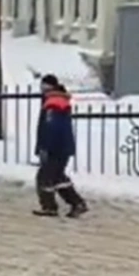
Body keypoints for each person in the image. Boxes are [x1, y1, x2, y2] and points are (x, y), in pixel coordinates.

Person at [34, 74, 88, 217]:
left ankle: (50, 207)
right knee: (56, 177)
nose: (41, 89)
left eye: (44, 86)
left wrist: (46, 147)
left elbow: (52, 127)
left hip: (55, 148)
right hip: (60, 147)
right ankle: (77, 204)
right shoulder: (56, 100)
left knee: (45, 177)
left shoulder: (54, 102)